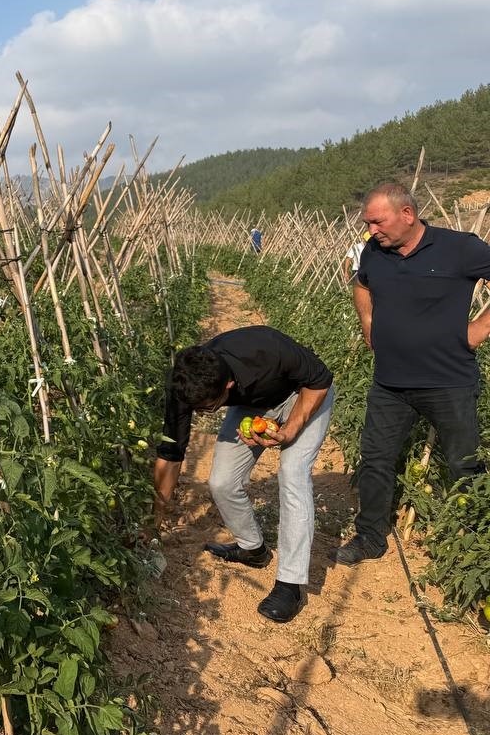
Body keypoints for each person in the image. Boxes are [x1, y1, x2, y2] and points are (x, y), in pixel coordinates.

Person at [336, 183, 490, 565]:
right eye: (367, 223)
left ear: (407, 214)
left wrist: (479, 328)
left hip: (448, 382)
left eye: (378, 222)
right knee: (375, 459)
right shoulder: (374, 252)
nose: (371, 231)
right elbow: (361, 283)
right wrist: (367, 320)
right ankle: (370, 538)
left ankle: (475, 543)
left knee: (463, 463)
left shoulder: (459, 248)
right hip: (389, 383)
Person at [155, 326, 334, 622]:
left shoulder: (268, 350)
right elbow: (170, 455)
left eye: (207, 409)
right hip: (255, 406)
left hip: (305, 394)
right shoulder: (187, 384)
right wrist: (154, 523)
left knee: (293, 474)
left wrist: (289, 431)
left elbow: (320, 380)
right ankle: (253, 549)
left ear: (227, 385)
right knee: (222, 481)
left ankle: (290, 585)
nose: (199, 413)